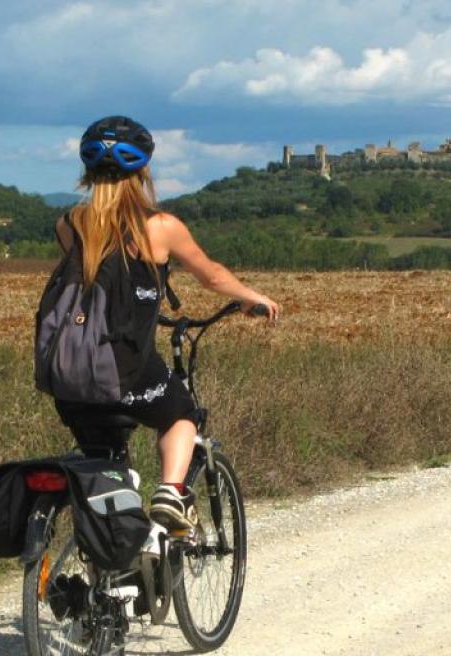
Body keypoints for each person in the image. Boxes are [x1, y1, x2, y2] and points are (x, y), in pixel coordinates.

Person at [52, 115, 280, 532]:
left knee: (107, 465)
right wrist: (251, 297)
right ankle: (170, 495)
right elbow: (210, 275)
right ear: (142, 170)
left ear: (87, 172)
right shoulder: (160, 227)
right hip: (123, 369)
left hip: (67, 378)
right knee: (182, 414)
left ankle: (113, 573)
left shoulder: (68, 225)